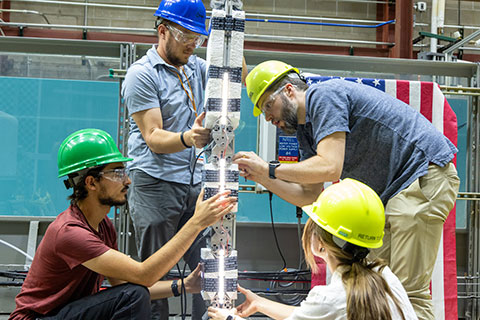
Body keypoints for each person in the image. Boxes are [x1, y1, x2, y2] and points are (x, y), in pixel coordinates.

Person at [234, 60, 460, 320]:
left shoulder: (324, 96)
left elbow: (330, 166)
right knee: (374, 288)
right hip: (391, 193)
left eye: (267, 106)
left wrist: (270, 168)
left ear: (288, 90)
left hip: (421, 176)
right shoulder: (306, 131)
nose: (268, 117)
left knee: (406, 293)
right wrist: (263, 177)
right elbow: (310, 195)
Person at [9, 129, 235, 320]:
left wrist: (184, 285)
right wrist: (196, 222)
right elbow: (144, 275)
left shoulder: (103, 226)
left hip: (63, 314)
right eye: (117, 173)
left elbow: (127, 283)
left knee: (132, 292)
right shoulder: (70, 232)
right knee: (133, 296)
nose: (127, 180)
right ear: (91, 182)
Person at [122, 0, 246, 318]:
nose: (193, 44)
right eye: (187, 37)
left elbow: (236, 76)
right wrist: (188, 138)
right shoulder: (142, 75)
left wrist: (228, 36)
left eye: (199, 39)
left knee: (210, 269)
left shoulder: (196, 67)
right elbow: (153, 137)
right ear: (163, 31)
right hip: (155, 185)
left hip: (194, 184)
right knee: (154, 273)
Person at [208, 179, 418, 320]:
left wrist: (228, 317)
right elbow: (313, 315)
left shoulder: (331, 297)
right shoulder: (384, 277)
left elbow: (324, 309)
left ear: (321, 244)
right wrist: (260, 304)